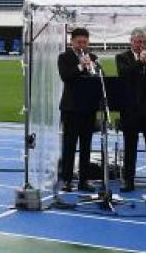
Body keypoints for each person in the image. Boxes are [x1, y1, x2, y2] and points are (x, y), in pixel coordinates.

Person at [115, 28, 146, 193]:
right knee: (130, 148)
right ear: (131, 41)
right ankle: (128, 181)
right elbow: (125, 74)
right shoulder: (122, 57)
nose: (140, 45)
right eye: (137, 41)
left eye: (143, 42)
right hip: (130, 109)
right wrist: (139, 62)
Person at [57, 27, 102, 192]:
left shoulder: (93, 57)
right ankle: (67, 180)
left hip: (88, 108)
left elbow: (99, 78)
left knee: (86, 145)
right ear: (72, 42)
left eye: (85, 42)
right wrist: (80, 66)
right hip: (71, 108)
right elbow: (66, 77)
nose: (82, 45)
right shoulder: (64, 57)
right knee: (69, 145)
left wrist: (93, 69)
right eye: (79, 42)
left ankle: (84, 180)